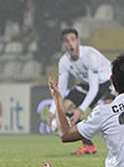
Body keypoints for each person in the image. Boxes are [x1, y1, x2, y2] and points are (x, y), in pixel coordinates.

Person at [46, 27, 115, 155]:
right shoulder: (64, 62)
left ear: (78, 41)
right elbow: (60, 89)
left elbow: (95, 88)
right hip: (88, 83)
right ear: (63, 45)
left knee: (109, 109)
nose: (70, 43)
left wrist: (80, 110)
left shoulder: (89, 56)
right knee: (66, 107)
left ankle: (118, 144)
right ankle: (88, 146)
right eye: (66, 41)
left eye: (72, 39)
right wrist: (52, 111)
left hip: (108, 81)